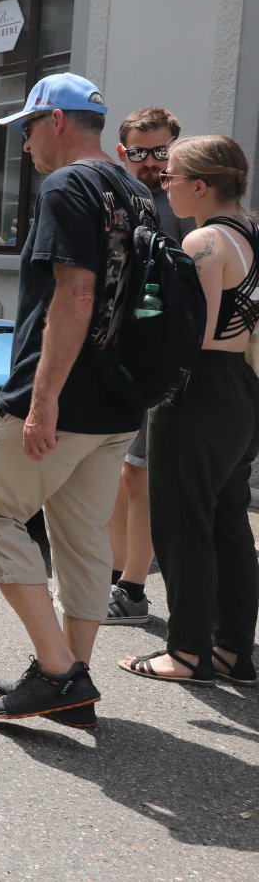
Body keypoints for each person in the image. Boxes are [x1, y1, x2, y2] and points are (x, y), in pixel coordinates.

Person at [0, 74, 152, 728]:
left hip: (64, 401)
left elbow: (76, 294)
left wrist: (42, 400)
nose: (24, 145)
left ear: (56, 122)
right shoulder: (136, 191)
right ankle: (74, 679)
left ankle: (56, 671)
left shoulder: (67, 186)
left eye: (27, 129)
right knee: (81, 539)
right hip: (119, 403)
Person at [119, 136, 259, 686]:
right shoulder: (251, 231)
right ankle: (233, 651)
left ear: (200, 186)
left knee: (183, 523)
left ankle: (187, 653)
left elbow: (193, 333)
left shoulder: (205, 240)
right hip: (241, 386)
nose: (163, 183)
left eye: (170, 176)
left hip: (196, 388)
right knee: (228, 520)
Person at [101, 107, 195, 624]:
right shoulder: (122, 195)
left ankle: (134, 589)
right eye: (141, 151)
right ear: (124, 152)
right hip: (124, 354)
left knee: (140, 475)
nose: (153, 161)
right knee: (121, 472)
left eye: (162, 150)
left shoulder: (184, 204)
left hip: (164, 358)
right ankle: (118, 577)